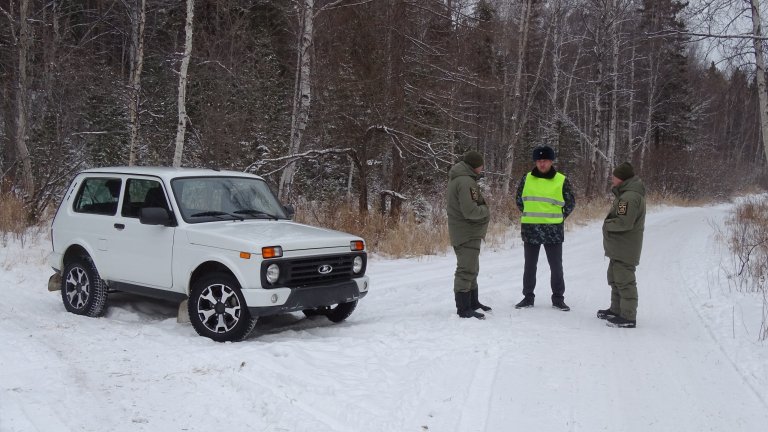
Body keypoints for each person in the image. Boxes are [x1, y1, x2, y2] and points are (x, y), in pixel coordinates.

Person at [514, 146, 576, 311]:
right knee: (530, 266)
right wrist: (530, 214)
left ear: (551, 161)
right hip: (531, 230)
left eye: (545, 160)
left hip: (553, 231)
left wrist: (558, 218)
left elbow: (570, 203)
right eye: (539, 161)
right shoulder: (526, 178)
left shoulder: (561, 180)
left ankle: (558, 299)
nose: (542, 164)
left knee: (556, 266)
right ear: (535, 162)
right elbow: (519, 200)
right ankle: (528, 297)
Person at [599, 162, 646, 328]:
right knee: (615, 279)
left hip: (625, 248)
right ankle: (616, 310)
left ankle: (628, 317)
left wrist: (607, 224)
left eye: (614, 176)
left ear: (622, 178)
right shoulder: (625, 194)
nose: (612, 178)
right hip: (619, 247)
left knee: (624, 281)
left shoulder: (629, 197)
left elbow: (624, 222)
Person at [447, 150, 491, 319]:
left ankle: (473, 303)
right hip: (466, 232)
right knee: (466, 270)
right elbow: (470, 211)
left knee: (472, 268)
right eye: (481, 165)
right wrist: (485, 210)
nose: (483, 168)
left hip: (466, 231)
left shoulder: (462, 178)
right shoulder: (466, 182)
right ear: (475, 166)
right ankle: (464, 308)